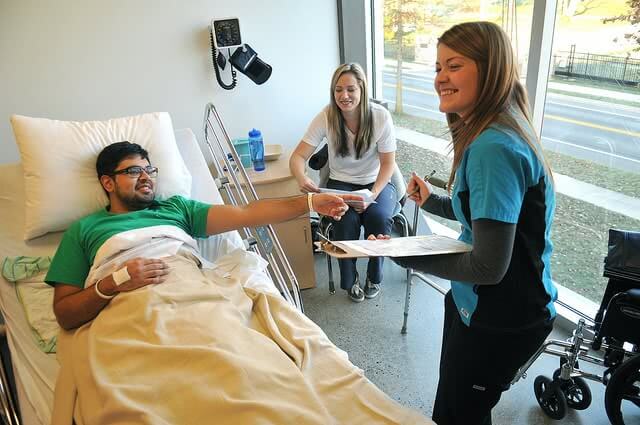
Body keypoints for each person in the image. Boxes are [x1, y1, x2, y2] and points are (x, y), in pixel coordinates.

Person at [387, 22, 557, 424]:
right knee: (459, 407)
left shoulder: (493, 147)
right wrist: (433, 201)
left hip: (501, 317)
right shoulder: (500, 127)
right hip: (479, 305)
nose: (440, 77)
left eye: (454, 65)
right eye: (438, 66)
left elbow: (487, 266)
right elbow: (484, 217)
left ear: (490, 69)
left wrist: (406, 255)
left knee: (456, 415)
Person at [47, 141, 358, 330]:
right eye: (132, 171)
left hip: (193, 294)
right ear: (108, 183)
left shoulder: (176, 208)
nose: (145, 177)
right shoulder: (84, 230)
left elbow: (247, 214)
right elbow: (65, 314)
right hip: (132, 310)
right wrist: (116, 281)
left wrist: (309, 202)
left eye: (149, 170)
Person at [289, 63, 398, 303]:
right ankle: (351, 281)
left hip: (376, 184)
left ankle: (374, 276)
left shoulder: (380, 117)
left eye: (350, 89)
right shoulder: (327, 116)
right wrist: (302, 177)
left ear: (362, 89)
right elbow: (297, 157)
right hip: (341, 184)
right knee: (344, 220)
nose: (344, 96)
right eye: (338, 90)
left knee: (378, 218)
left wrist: (372, 194)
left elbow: (388, 164)